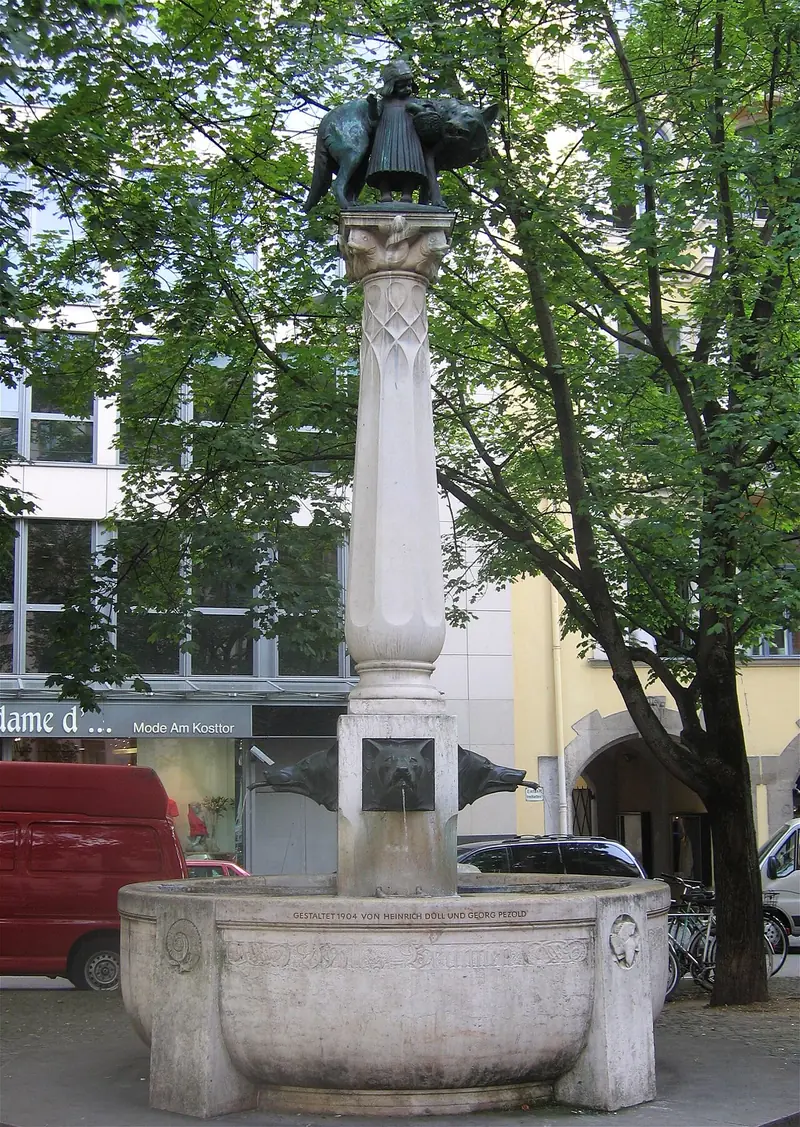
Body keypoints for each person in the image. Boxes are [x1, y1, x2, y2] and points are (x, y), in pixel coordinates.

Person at [365, 60, 429, 203]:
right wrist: (372, 104)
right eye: (402, 86)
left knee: (410, 165)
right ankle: (385, 194)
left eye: (409, 84)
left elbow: (426, 116)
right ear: (391, 86)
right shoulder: (384, 102)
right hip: (386, 138)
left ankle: (407, 194)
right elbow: (374, 117)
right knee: (383, 167)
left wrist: (417, 109)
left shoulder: (415, 101)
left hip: (409, 137)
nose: (407, 88)